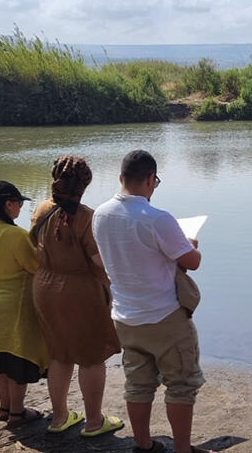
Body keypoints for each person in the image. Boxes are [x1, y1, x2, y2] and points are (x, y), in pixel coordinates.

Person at [92, 150, 206, 453]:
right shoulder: (157, 219)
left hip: (125, 315)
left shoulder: (100, 214)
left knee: (137, 384)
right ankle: (183, 448)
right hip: (164, 315)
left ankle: (143, 445)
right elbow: (192, 261)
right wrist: (190, 243)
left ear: (120, 178)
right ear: (150, 179)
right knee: (181, 384)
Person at [30, 156, 123, 436]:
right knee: (91, 357)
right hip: (79, 290)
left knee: (59, 353)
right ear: (85, 184)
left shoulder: (41, 208)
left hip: (45, 285)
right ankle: (94, 421)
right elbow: (98, 262)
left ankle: (59, 418)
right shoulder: (87, 217)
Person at [0, 181, 48, 428]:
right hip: (14, 307)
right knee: (17, 359)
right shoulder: (15, 235)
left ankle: (4, 408)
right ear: (8, 204)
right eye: (18, 203)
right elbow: (35, 267)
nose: (19, 208)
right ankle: (17, 413)